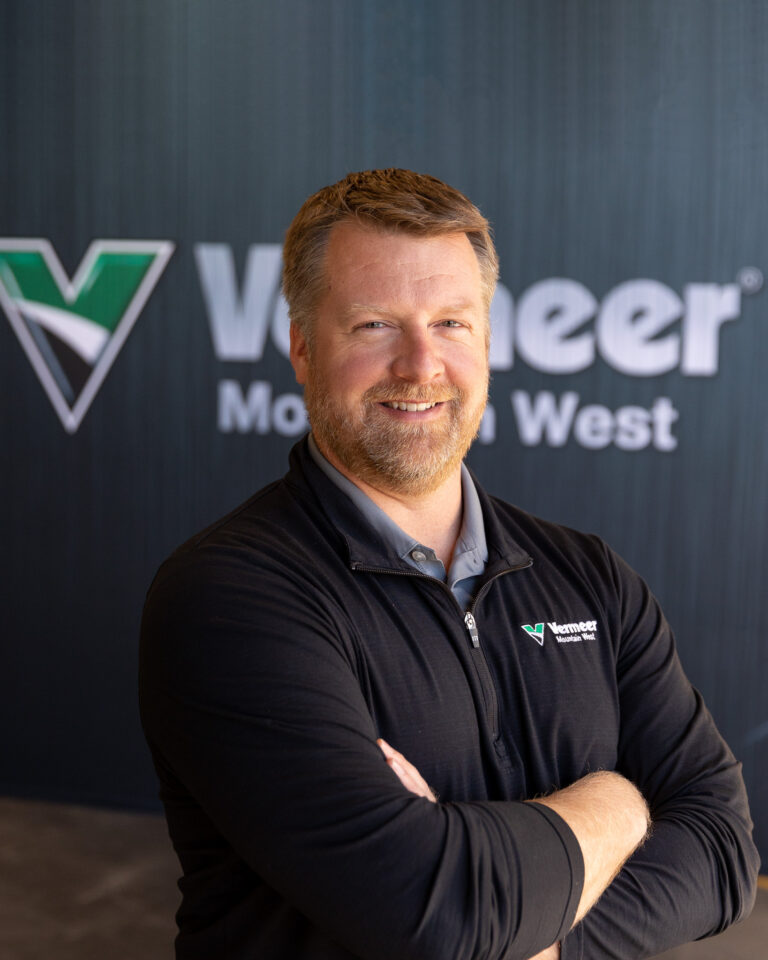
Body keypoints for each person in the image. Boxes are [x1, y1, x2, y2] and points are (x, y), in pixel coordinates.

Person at [139, 169, 759, 960]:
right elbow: (432, 914)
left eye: (453, 323)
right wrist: (621, 801)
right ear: (302, 343)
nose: (421, 365)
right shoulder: (230, 597)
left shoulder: (590, 576)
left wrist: (532, 939)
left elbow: (723, 847)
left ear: (489, 340)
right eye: (373, 325)